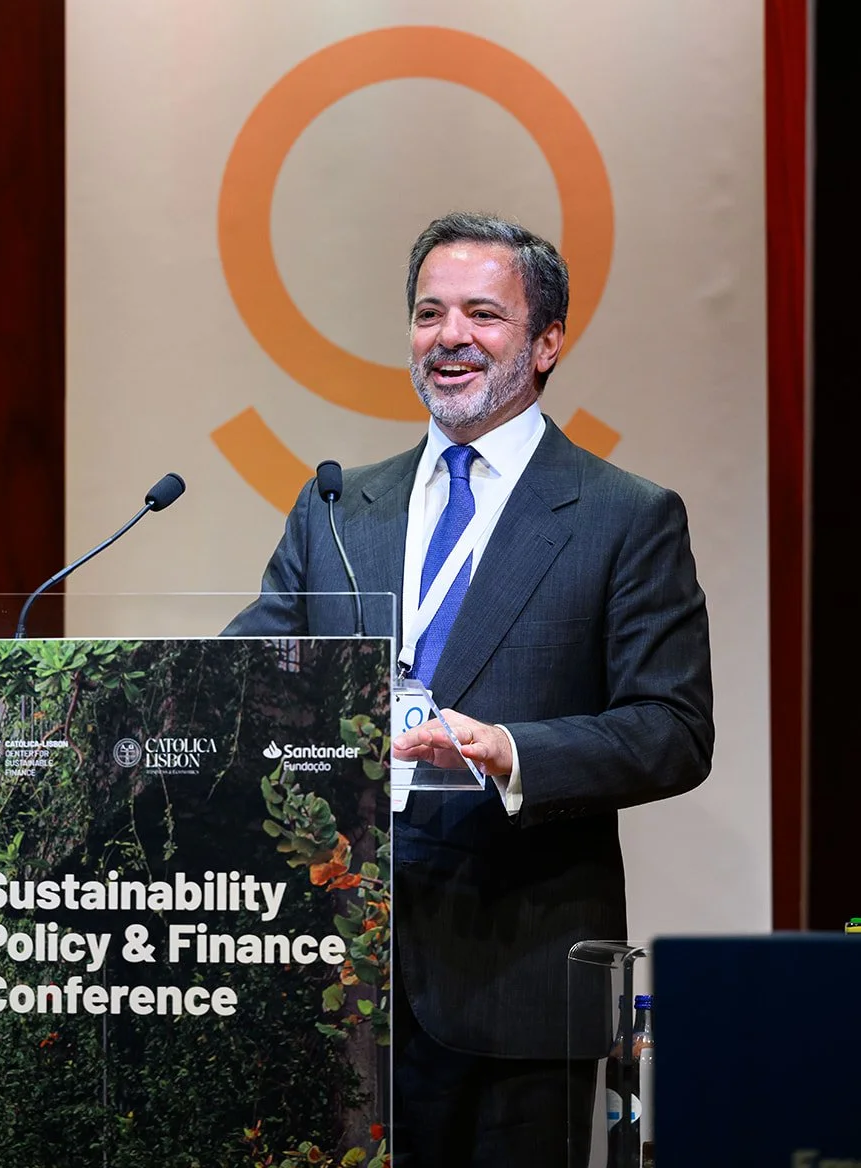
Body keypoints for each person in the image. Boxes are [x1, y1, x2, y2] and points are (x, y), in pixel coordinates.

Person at [239, 212, 713, 1167]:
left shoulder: (624, 516)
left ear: (544, 344)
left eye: (482, 314)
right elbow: (246, 674)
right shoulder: (338, 505)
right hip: (336, 976)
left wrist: (512, 750)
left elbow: (672, 728)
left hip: (518, 980)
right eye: (428, 312)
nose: (448, 336)